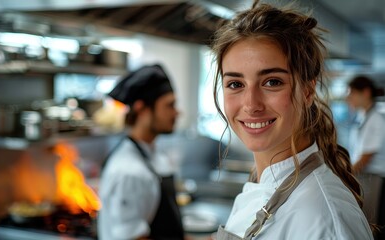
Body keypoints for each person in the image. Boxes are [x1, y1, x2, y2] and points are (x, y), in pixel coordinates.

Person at [210, 1, 374, 239]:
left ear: (307, 92)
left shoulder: (322, 218)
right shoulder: (262, 185)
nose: (251, 104)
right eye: (235, 84)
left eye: (272, 82)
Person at [98, 64, 184, 240]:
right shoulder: (128, 171)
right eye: (170, 105)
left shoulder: (153, 154)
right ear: (141, 108)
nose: (177, 112)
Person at [346, 75, 385, 235]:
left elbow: (366, 156)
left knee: (369, 224)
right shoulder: (364, 116)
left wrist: (346, 175)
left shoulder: (376, 119)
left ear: (366, 92)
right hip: (364, 175)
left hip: (372, 177)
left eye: (352, 93)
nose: (348, 98)